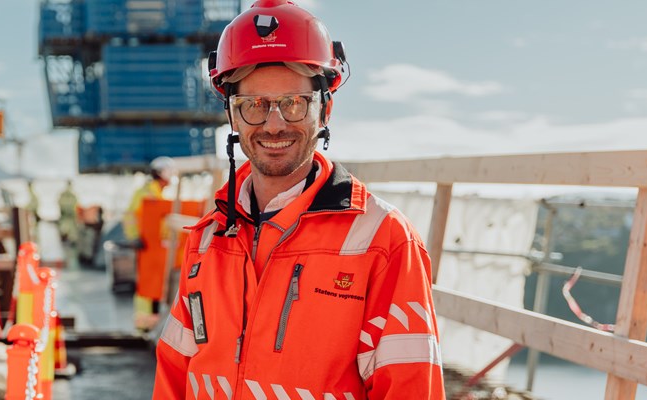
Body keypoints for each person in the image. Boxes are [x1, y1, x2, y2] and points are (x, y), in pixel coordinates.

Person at [153, 1, 445, 398]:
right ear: (232, 116)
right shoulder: (207, 238)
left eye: (294, 103)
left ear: (325, 108)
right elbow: (174, 376)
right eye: (253, 105)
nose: (274, 124)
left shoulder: (383, 241)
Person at [123, 156, 178, 330]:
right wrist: (133, 237)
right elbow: (130, 216)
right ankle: (143, 325)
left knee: (156, 283)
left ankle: (152, 324)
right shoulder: (145, 192)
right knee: (147, 284)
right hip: (145, 246)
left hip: (155, 247)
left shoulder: (156, 192)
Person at [57, 180, 81, 269]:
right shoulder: (72, 196)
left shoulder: (63, 195)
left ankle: (69, 262)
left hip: (66, 221)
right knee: (71, 243)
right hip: (69, 222)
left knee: (67, 243)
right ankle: (70, 262)